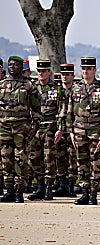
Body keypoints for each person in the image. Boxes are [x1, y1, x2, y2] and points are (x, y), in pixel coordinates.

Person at [66, 57, 100, 205]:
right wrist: (71, 131)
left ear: (94, 70)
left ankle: (93, 193)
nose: (85, 71)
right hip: (79, 130)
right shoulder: (76, 87)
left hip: (95, 130)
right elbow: (69, 111)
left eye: (88, 69)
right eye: (83, 69)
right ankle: (84, 192)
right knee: (81, 161)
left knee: (96, 162)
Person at [0, 56, 42, 203]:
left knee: (21, 159)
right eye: (10, 64)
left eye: (16, 65)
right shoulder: (2, 84)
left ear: (21, 67)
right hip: (4, 128)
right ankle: (9, 190)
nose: (12, 67)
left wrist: (35, 126)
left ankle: (19, 191)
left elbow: (37, 108)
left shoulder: (29, 86)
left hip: (21, 128)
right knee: (6, 159)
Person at [27, 59, 59, 201]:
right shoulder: (31, 87)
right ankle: (39, 186)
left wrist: (60, 128)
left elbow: (62, 109)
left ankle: (48, 188)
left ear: (49, 72)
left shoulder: (56, 88)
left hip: (50, 128)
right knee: (34, 158)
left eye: (43, 71)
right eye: (39, 71)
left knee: (49, 159)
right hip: (35, 128)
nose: (40, 73)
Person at [54, 63, 78, 197]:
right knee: (59, 156)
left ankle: (71, 185)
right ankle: (61, 183)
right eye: (63, 74)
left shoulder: (76, 90)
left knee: (72, 157)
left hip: (73, 129)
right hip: (58, 129)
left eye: (67, 75)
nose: (65, 77)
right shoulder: (56, 90)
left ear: (73, 76)